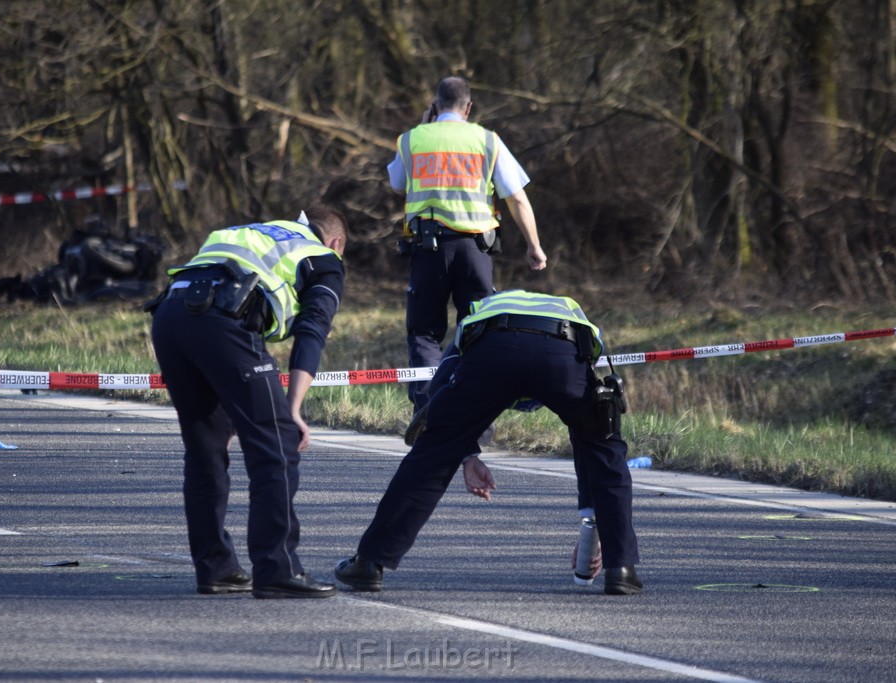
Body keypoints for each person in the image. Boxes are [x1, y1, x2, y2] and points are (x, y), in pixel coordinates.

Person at [334, 290, 642, 596]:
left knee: (433, 454)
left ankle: (370, 563)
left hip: (496, 347)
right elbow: (587, 443)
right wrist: (593, 523)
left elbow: (439, 394)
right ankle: (621, 569)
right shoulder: (572, 312)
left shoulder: (479, 313)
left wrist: (464, 452)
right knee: (603, 447)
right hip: (561, 348)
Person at [149, 205, 347, 599]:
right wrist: (292, 411)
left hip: (170, 315)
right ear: (337, 242)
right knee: (277, 446)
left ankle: (216, 569)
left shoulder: (249, 232)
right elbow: (312, 331)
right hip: (223, 319)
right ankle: (277, 569)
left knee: (206, 449)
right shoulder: (324, 258)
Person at [387, 76, 548, 416]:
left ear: (435, 104)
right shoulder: (487, 140)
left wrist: (421, 125)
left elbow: (397, 181)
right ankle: (475, 415)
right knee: (479, 331)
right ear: (469, 107)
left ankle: (430, 412)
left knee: (424, 334)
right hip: (476, 250)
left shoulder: (413, 138)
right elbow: (517, 197)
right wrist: (534, 245)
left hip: (428, 249)